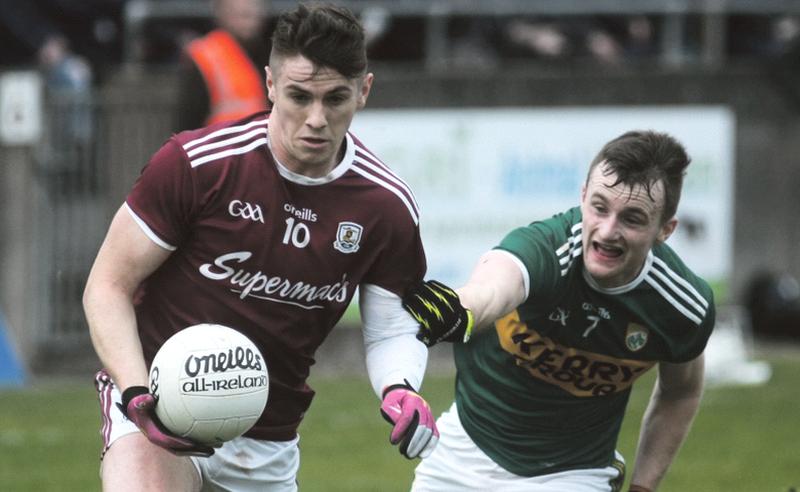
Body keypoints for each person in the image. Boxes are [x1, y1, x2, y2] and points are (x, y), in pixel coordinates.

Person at [83, 4, 438, 491]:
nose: (316, 119)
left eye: (335, 98)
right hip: (158, 409)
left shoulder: (386, 207)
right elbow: (107, 286)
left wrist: (400, 388)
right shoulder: (197, 165)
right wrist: (137, 393)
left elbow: (391, 328)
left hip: (266, 440)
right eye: (298, 96)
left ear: (364, 91)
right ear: (270, 84)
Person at [402, 130, 715, 492]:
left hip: (573, 473)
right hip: (466, 445)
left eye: (632, 219)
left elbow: (681, 393)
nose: (608, 231)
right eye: (599, 208)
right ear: (583, 197)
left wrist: (643, 487)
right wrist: (460, 309)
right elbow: (496, 286)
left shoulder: (682, 306)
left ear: (665, 230)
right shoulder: (546, 248)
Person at [173, 0, 271, 132]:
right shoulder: (204, 55)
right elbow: (187, 123)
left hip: (259, 146)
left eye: (253, 4)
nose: (248, 9)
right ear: (220, 10)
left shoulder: (270, 53)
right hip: (217, 148)